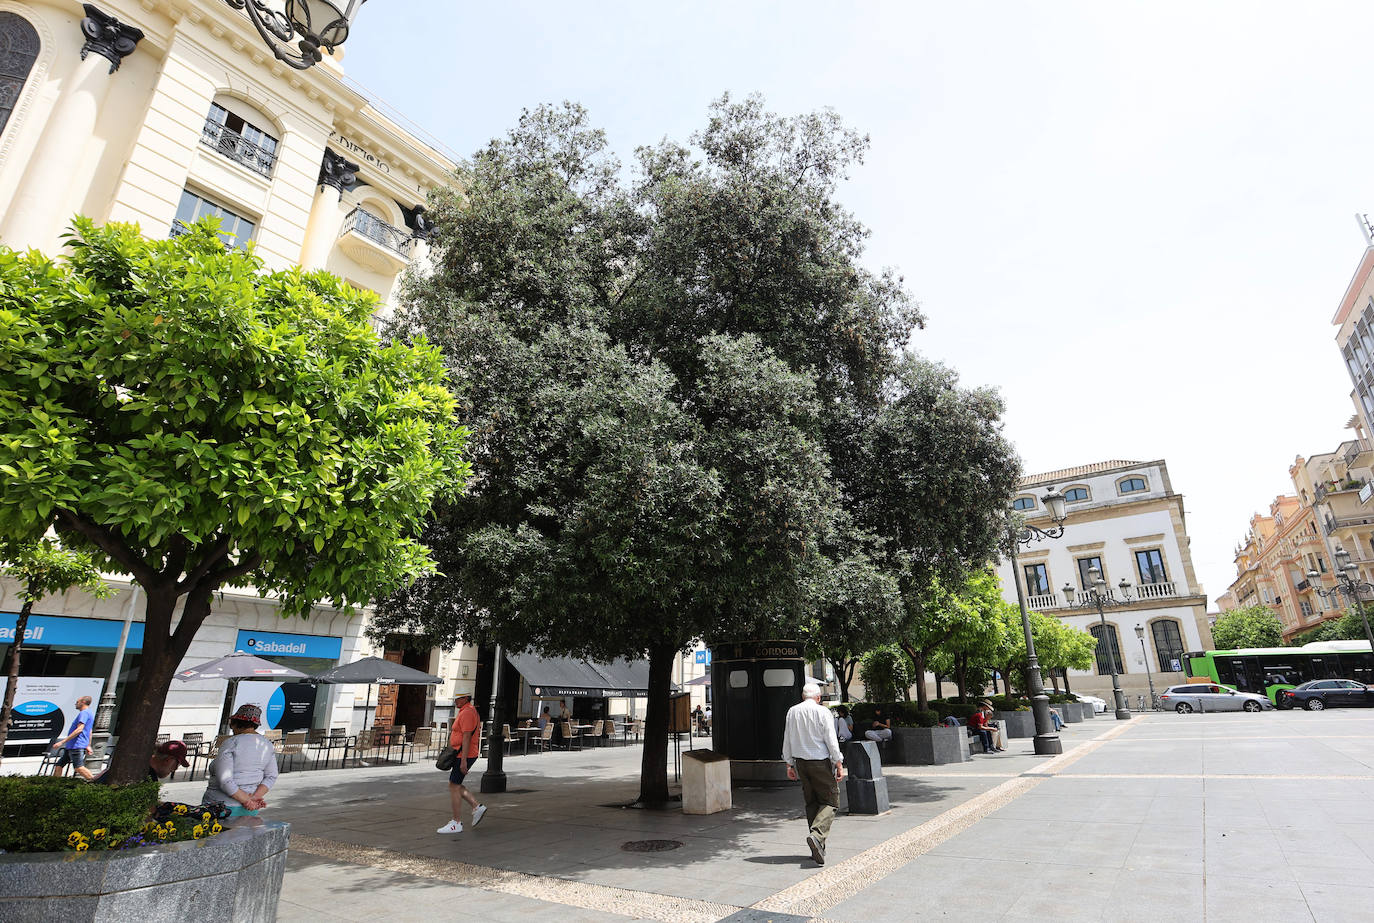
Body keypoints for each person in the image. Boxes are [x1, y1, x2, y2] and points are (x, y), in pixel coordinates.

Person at [781, 683, 844, 866]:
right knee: (831, 800)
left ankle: (817, 846)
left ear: (803, 696)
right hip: (820, 761)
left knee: (812, 802)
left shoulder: (792, 711)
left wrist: (789, 764)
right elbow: (831, 740)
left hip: (801, 762)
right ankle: (817, 835)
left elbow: (787, 738)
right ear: (818, 697)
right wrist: (838, 762)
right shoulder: (823, 712)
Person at [202, 704, 278, 816]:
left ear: (235, 723)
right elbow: (271, 776)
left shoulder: (232, 742)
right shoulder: (266, 744)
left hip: (220, 807)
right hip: (249, 809)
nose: (231, 729)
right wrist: (254, 798)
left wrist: (247, 801)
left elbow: (225, 780)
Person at [437, 692, 487, 834]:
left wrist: (463, 761)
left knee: (454, 785)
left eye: (457, 699)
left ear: (465, 698)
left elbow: (466, 738)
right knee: (455, 784)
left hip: (463, 754)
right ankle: (476, 807)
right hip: (462, 753)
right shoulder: (467, 711)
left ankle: (456, 822)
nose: (455, 701)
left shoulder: (467, 713)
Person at [94, 739, 190, 784]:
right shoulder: (147, 776)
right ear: (169, 760)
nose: (175, 769)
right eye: (177, 765)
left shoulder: (138, 763)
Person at [51, 695, 96, 781]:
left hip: (76, 745)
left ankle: (96, 783)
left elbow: (79, 729)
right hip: (72, 745)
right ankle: (55, 785)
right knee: (59, 765)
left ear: (83, 702)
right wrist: (88, 745)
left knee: (79, 768)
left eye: (77, 702)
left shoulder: (84, 713)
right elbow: (89, 731)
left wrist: (62, 742)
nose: (75, 704)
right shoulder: (88, 713)